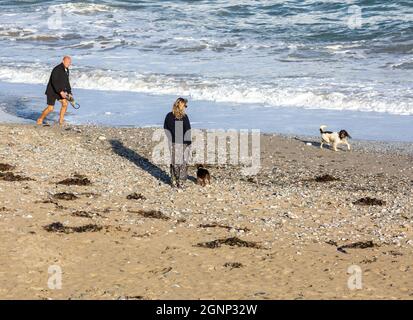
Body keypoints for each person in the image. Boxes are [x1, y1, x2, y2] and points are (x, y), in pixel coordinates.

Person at [164, 97, 192, 188]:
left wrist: (170, 138)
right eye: (184, 105)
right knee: (183, 163)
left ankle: (174, 181)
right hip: (181, 142)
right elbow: (188, 129)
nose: (185, 107)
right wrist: (188, 143)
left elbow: (166, 128)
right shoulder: (183, 117)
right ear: (180, 105)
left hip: (173, 141)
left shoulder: (169, 116)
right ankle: (181, 182)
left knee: (175, 162)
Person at [37, 56, 72, 126]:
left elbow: (66, 82)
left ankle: (61, 121)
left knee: (65, 104)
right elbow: (54, 82)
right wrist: (61, 92)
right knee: (50, 108)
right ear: (63, 61)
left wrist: (69, 92)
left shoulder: (66, 70)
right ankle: (40, 119)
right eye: (67, 62)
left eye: (70, 62)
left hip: (59, 91)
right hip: (52, 91)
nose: (69, 64)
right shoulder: (57, 69)